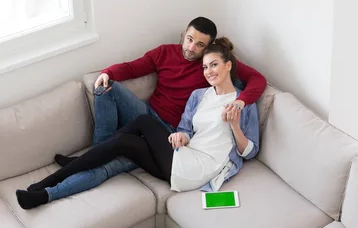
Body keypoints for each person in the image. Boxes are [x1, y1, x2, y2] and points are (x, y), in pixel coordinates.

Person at [17, 37, 260, 208]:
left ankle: (51, 179)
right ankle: (43, 193)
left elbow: (250, 152)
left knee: (142, 122)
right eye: (205, 66)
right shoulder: (199, 95)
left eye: (214, 65)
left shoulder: (243, 102)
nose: (208, 71)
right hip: (180, 157)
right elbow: (186, 129)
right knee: (124, 142)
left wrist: (236, 126)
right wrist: (181, 136)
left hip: (196, 169)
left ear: (229, 65)